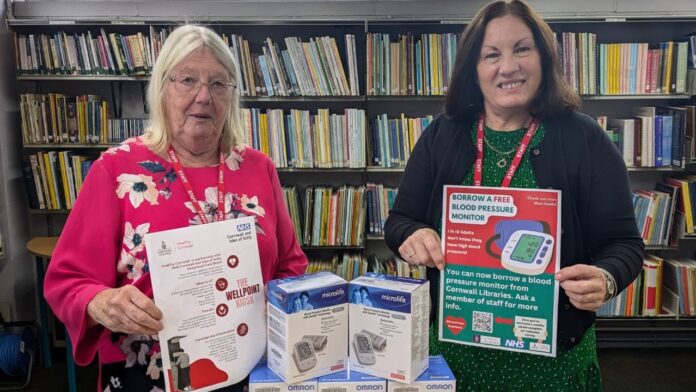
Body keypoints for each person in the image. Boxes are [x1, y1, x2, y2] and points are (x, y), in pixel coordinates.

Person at [383, 1, 644, 390]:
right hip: (455, 358)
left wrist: (606, 279)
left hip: (553, 365)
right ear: (474, 69)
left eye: (522, 49)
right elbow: (400, 221)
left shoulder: (584, 138)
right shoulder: (443, 134)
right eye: (492, 55)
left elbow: (624, 244)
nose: (508, 67)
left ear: (544, 57)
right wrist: (411, 237)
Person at [43, 24, 308, 392]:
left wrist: (280, 303)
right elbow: (67, 282)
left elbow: (290, 265)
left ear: (232, 96)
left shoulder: (257, 167)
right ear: (162, 89)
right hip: (148, 373)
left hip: (250, 368)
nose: (203, 96)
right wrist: (102, 302)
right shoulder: (116, 170)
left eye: (218, 84)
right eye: (187, 80)